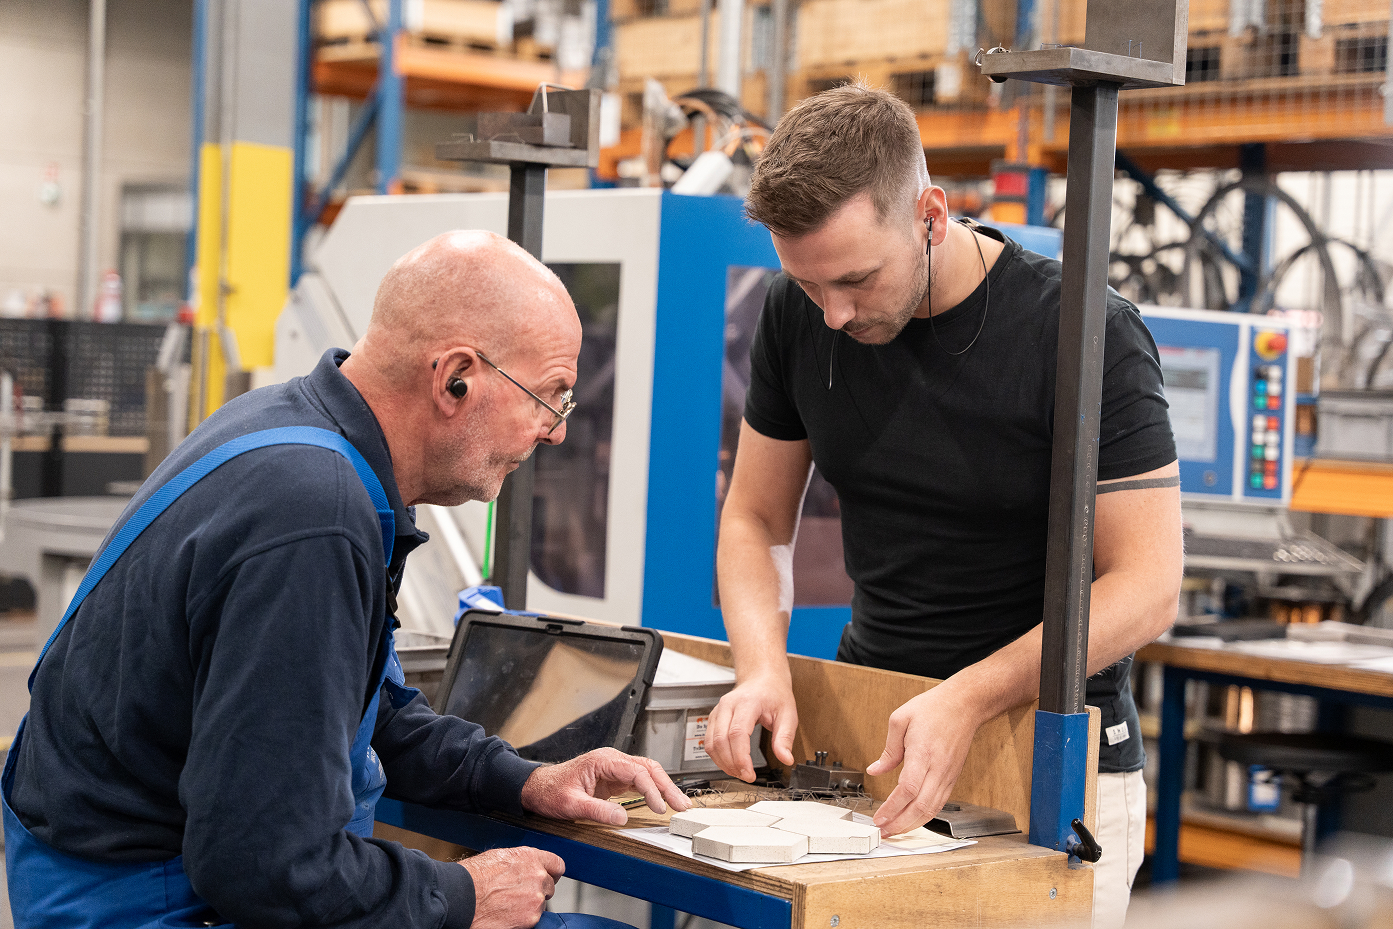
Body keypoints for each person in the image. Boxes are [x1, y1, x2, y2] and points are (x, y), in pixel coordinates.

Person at [3, 231, 691, 929]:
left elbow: (368, 708)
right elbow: (264, 865)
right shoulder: (313, 516)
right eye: (551, 397)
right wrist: (459, 895)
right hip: (149, 906)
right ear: (457, 377)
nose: (555, 432)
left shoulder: (293, 433)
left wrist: (524, 779)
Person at [704, 84, 1183, 929]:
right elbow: (753, 518)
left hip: (1051, 756)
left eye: (855, 278)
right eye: (809, 284)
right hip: (876, 734)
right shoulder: (797, 311)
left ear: (929, 212)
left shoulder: (1082, 333)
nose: (835, 312)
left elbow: (1145, 585)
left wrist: (967, 695)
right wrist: (761, 667)